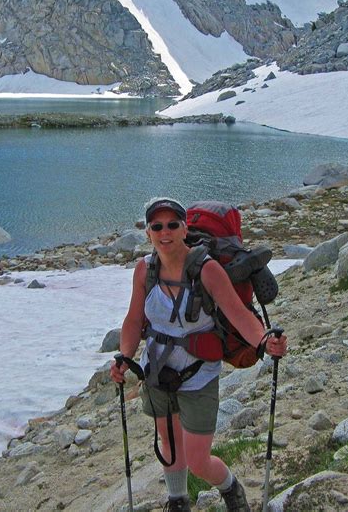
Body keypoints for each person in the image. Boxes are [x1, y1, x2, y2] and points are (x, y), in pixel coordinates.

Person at [110, 197, 287, 511]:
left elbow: (238, 314)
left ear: (184, 227)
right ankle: (177, 500)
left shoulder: (207, 269)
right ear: (148, 232)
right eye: (157, 226)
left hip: (198, 374)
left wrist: (263, 342)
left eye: (172, 225)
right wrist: (124, 357)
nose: (165, 232)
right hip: (157, 372)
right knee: (169, 444)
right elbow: (134, 319)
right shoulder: (144, 270)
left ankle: (231, 488)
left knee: (198, 460)